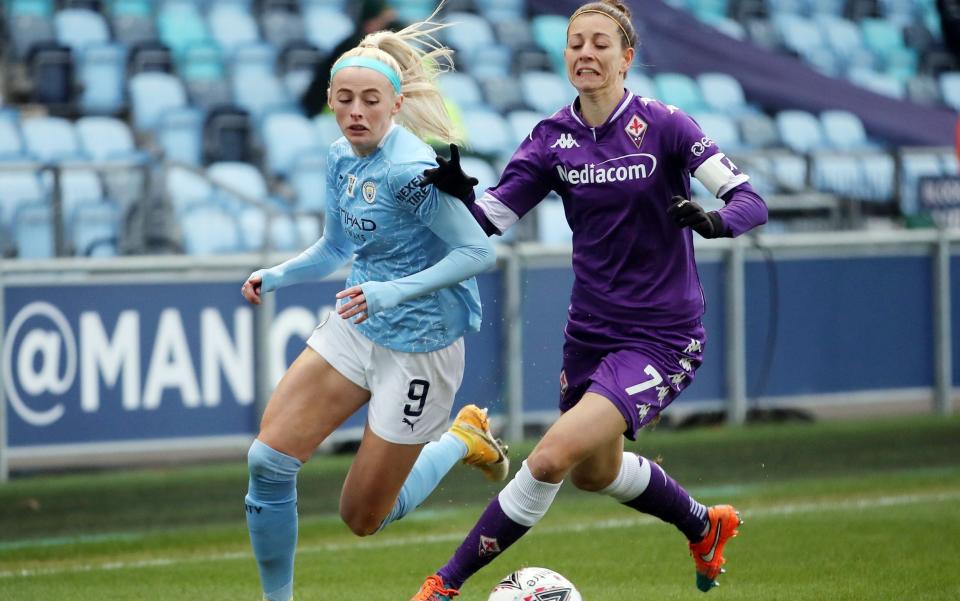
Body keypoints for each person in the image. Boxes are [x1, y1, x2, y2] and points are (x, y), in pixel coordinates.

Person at [409, 1, 768, 599]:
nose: (586, 53)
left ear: (627, 58)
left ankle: (444, 585)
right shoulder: (552, 139)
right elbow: (490, 217)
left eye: (601, 43)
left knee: (549, 459)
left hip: (662, 335)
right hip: (591, 334)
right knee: (594, 474)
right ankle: (704, 526)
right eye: (576, 43)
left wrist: (713, 222)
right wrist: (453, 199)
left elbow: (750, 201)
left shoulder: (667, 126)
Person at [239, 9, 509, 601]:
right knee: (267, 462)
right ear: (331, 102)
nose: (355, 111)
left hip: (422, 349)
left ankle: (463, 439)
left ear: (393, 104)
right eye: (344, 99)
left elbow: (476, 252)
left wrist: (392, 291)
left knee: (362, 517)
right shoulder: (339, 156)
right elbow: (337, 244)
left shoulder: (412, 170)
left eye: (368, 100)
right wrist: (278, 274)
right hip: (358, 324)